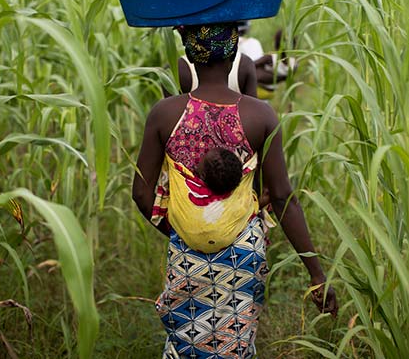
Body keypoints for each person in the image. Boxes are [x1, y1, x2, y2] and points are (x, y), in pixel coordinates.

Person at [132, 22, 338, 358]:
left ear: (189, 55)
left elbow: (141, 194)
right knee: (235, 342)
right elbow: (283, 197)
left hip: (186, 253)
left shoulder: (164, 113)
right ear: (234, 55)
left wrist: (180, 230)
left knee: (185, 340)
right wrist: (316, 274)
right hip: (244, 251)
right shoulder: (260, 115)